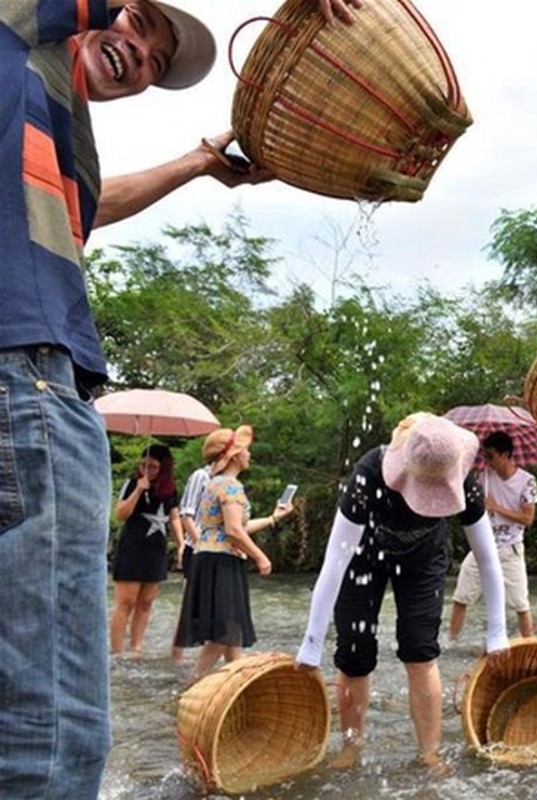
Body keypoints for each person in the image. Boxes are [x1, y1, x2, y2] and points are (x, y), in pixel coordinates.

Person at [0, 1, 355, 792]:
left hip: (31, 384)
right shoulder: (20, 31)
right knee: (54, 725)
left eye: (158, 61)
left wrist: (199, 164)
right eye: (135, 25)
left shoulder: (47, 124)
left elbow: (89, 208)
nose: (142, 54)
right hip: (27, 378)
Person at [296, 413, 510, 772]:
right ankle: (350, 749)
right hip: (361, 559)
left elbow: (488, 559)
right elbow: (335, 561)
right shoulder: (368, 475)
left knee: (420, 651)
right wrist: (311, 644)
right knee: (353, 652)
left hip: (423, 560)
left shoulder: (465, 478)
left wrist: (498, 632)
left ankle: (429, 752)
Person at [176, 425, 293, 677]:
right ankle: (191, 691)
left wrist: (273, 518)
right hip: (222, 563)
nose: (249, 455)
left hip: (206, 560)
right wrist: (260, 557)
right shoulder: (231, 486)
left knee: (232, 639)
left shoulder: (213, 483)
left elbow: (237, 526)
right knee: (223, 634)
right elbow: (233, 530)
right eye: (246, 450)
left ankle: (234, 691)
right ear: (234, 455)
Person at [449, 430, 537, 640]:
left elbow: (528, 519)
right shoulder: (483, 478)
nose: (487, 461)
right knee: (461, 596)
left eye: (491, 456)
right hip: (483, 546)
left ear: (505, 454)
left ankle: (529, 644)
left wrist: (497, 507)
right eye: (485, 456)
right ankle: (451, 643)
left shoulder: (527, 481)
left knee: (521, 604)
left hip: (511, 548)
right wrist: (480, 504)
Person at [109, 443, 184, 655]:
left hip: (155, 547)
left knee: (146, 602)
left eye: (152, 467)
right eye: (143, 465)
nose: (146, 470)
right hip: (132, 546)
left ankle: (136, 647)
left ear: (164, 468)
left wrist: (181, 544)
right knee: (126, 601)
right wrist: (139, 490)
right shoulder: (133, 483)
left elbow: (174, 516)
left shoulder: (169, 489)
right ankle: (117, 651)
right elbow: (120, 514)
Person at [170, 459, 212, 663]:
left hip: (214, 551)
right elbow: (186, 514)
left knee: (214, 608)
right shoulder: (201, 476)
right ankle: (176, 658)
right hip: (196, 550)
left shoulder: (225, 481)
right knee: (188, 609)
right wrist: (202, 545)